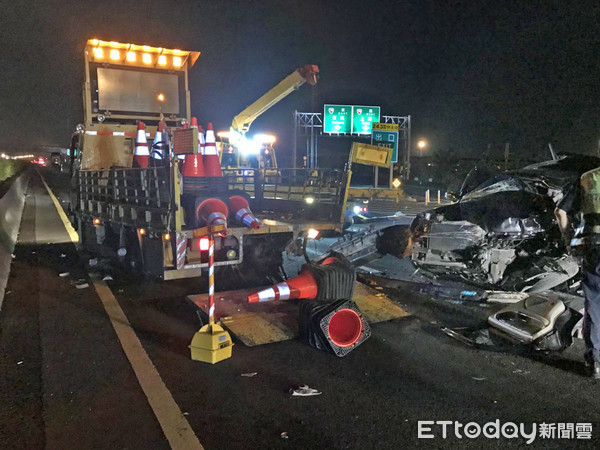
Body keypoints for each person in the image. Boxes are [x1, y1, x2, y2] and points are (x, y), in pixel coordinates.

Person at [555, 169, 600, 378]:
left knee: (595, 303)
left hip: (593, 249)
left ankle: (596, 363)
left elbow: (560, 212)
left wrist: (569, 242)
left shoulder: (586, 179)